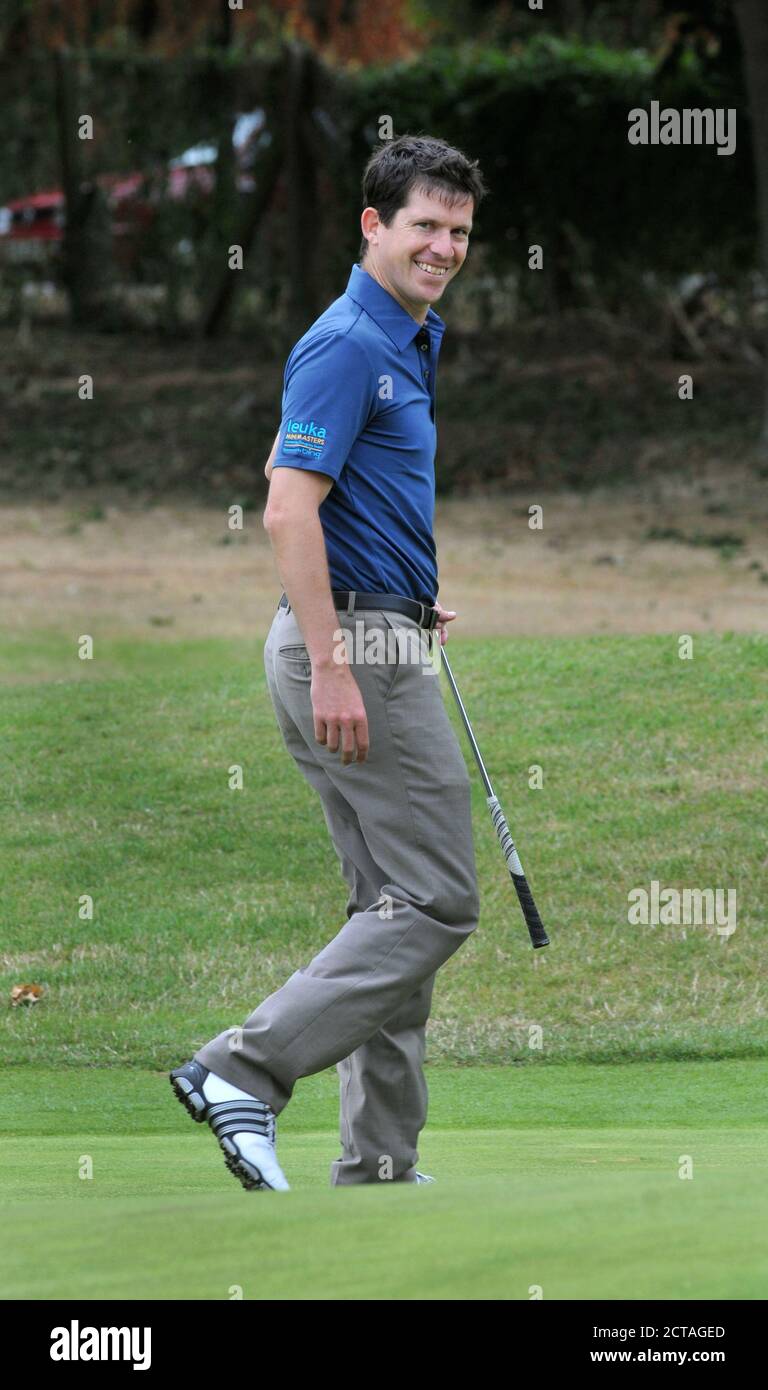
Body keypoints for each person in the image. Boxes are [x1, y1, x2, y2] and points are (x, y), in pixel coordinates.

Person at [170, 134, 489, 1190]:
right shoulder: (350, 340)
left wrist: (406, 585)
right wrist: (339, 660)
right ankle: (241, 1070)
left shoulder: (408, 335)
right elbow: (284, 504)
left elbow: (351, 500)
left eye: (456, 229)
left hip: (377, 624)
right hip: (348, 649)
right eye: (423, 227)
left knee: (391, 903)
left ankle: (382, 1157)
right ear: (373, 227)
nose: (442, 246)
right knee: (439, 900)